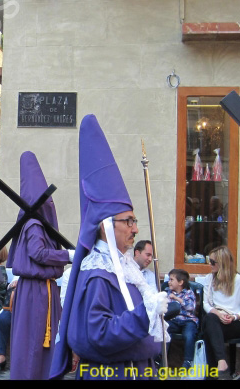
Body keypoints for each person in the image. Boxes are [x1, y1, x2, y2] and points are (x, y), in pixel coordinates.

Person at [50, 114, 169, 380]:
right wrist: (144, 314)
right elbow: (98, 334)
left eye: (135, 221)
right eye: (128, 221)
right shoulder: (98, 276)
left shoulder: (126, 269)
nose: (135, 229)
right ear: (104, 226)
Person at [8, 151, 74, 380]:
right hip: (36, 291)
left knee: (37, 340)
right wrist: (67, 255)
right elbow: (37, 253)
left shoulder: (34, 223)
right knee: (34, 340)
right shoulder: (35, 224)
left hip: (41, 289)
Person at [201, 245, 240, 379]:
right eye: (209, 261)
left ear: (222, 263)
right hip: (216, 319)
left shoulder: (238, 280)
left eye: (212, 262)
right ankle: (221, 362)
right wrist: (218, 314)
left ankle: (212, 374)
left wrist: (234, 316)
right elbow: (205, 303)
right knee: (210, 320)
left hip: (235, 322)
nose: (209, 265)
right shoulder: (209, 279)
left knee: (209, 330)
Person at [164, 268, 198, 369]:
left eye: (171, 280)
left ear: (180, 282)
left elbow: (190, 307)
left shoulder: (188, 293)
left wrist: (176, 299)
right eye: (169, 279)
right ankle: (161, 358)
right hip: (173, 320)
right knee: (164, 330)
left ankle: (188, 361)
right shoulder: (167, 293)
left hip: (188, 320)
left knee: (189, 335)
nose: (169, 282)